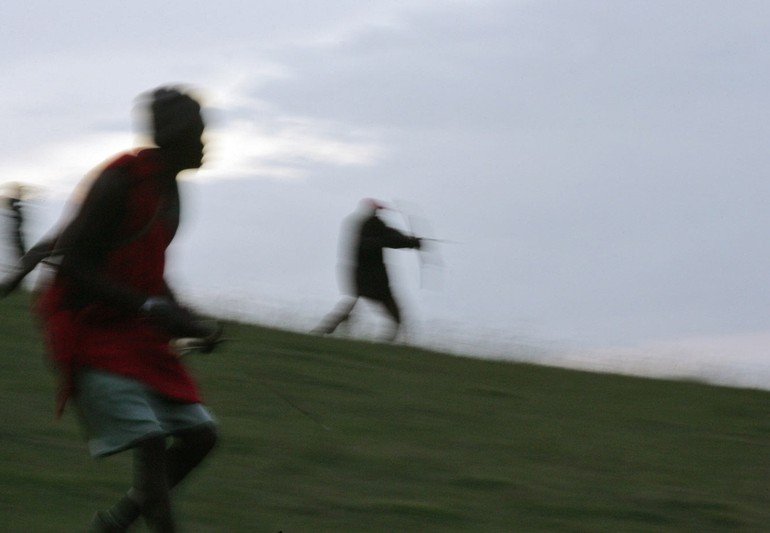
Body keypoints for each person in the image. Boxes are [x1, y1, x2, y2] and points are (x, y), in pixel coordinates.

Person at [0, 86, 221, 532]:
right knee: (153, 446)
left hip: (134, 331)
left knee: (202, 437)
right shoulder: (121, 180)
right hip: (89, 328)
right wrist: (152, 307)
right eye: (197, 134)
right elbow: (71, 260)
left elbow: (146, 270)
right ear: (174, 136)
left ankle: (116, 522)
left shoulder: (172, 196)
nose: (204, 143)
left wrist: (189, 320)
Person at [314, 198, 421, 342]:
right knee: (393, 312)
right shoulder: (369, 226)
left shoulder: (371, 225)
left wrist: (410, 242)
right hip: (370, 277)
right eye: (377, 210)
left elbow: (391, 236)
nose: (378, 213)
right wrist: (410, 242)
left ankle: (326, 329)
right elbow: (384, 240)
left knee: (355, 304)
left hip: (366, 276)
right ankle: (327, 329)